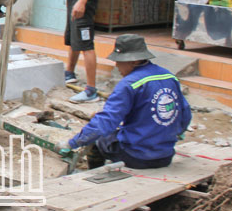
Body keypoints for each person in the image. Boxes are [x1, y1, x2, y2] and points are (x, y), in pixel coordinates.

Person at [57, 34, 192, 169]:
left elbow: (105, 122)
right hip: (165, 155)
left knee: (98, 139)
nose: (117, 66)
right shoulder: (168, 76)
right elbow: (185, 113)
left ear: (133, 61)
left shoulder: (129, 84)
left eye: (119, 61)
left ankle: (95, 173)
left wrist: (72, 143)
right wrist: (176, 132)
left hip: (137, 157)